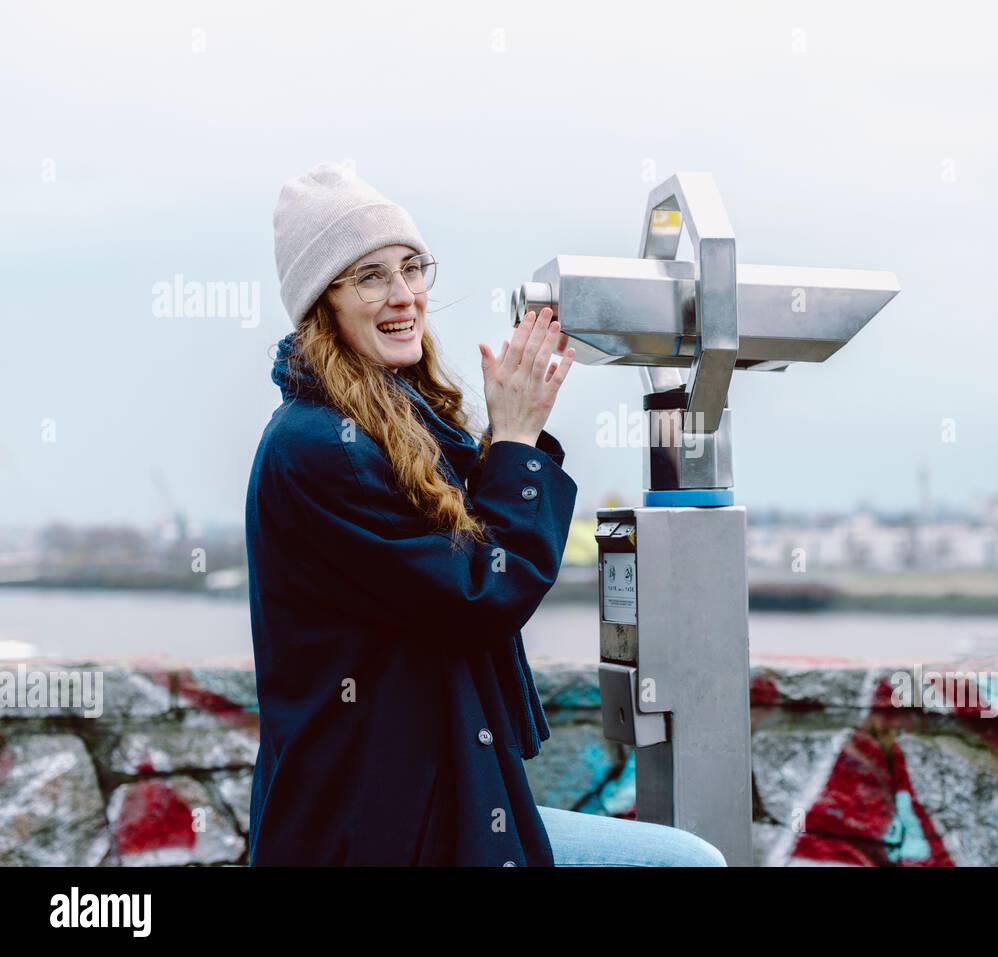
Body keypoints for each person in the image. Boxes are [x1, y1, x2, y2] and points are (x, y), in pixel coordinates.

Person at [247, 161, 727, 867]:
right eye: (371, 276)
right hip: (374, 827)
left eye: (412, 267)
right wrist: (517, 440)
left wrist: (509, 440)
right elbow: (482, 590)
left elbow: (472, 553)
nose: (405, 295)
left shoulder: (391, 425)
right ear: (324, 303)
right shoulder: (322, 447)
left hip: (429, 804)